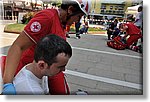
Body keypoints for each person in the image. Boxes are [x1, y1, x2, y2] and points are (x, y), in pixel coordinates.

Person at [2, 0, 91, 95]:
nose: (78, 21)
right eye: (79, 16)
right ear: (70, 9)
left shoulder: (62, 22)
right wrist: (7, 83)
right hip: (35, 69)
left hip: (46, 70)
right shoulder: (47, 18)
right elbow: (18, 46)